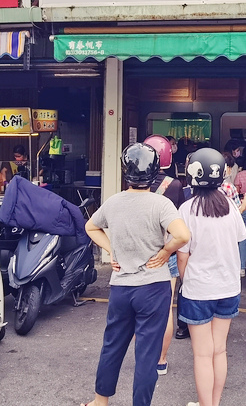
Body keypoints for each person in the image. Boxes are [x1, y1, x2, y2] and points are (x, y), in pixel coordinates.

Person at [81, 143, 191, 406]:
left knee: (112, 346)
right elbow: (183, 236)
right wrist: (166, 252)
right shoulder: (161, 204)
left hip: (121, 288)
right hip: (154, 288)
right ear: (155, 172)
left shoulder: (113, 202)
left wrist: (113, 251)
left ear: (125, 171)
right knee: (147, 355)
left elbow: (90, 227)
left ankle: (100, 402)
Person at [177, 147, 246, 406]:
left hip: (199, 290)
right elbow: (240, 240)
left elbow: (182, 255)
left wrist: (186, 280)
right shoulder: (230, 207)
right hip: (228, 288)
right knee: (220, 350)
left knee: (202, 355)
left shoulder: (186, 209)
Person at [143, 134, 185, 375]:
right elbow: (178, 219)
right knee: (165, 308)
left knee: (140, 308)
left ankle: (144, 358)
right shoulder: (176, 185)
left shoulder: (132, 185)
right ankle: (160, 360)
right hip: (166, 253)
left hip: (140, 253)